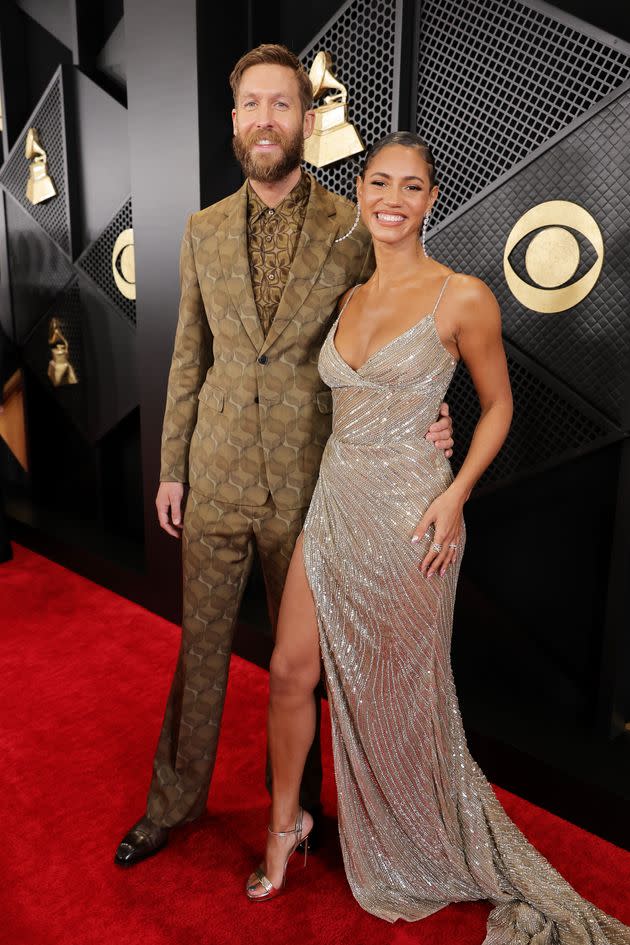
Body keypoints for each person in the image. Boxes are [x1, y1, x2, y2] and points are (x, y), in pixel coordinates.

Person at [245, 132, 630, 945]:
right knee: (287, 669)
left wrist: (455, 495)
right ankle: (289, 826)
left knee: (401, 690)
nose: (393, 197)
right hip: (334, 501)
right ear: (362, 194)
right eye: (379, 182)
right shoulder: (349, 298)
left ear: (430, 200)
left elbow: (497, 406)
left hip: (413, 517)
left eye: (411, 186)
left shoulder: (462, 296)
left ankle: (415, 836)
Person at [115, 46, 454, 867]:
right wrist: (171, 467)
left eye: (282, 105)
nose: (267, 120)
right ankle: (172, 802)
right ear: (234, 122)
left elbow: (400, 316)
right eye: (251, 106)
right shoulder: (200, 229)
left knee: (306, 665)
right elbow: (188, 352)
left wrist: (426, 407)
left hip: (315, 484)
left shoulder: (351, 223)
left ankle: (296, 809)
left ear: (306, 119)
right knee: (199, 649)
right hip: (217, 477)